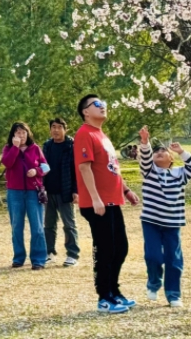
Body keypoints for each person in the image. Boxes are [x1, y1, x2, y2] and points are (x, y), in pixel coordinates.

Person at [74, 95, 140, 314]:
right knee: (105, 250)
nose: (103, 107)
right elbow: (85, 168)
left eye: (104, 103)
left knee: (120, 248)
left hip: (112, 200)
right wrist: (94, 198)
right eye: (97, 104)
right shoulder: (84, 134)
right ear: (85, 112)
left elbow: (112, 169)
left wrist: (126, 190)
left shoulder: (102, 135)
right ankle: (104, 298)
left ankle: (114, 291)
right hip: (97, 203)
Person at [138, 126, 191, 307]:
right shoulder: (149, 171)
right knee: (153, 256)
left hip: (173, 223)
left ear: (172, 159)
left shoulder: (179, 174)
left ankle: (173, 294)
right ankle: (154, 282)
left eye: (164, 151)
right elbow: (146, 158)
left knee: (174, 258)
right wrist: (145, 142)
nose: (159, 152)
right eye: (156, 152)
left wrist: (181, 151)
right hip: (151, 221)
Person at [1, 121, 48, 270]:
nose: (21, 135)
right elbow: (7, 163)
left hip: (33, 192)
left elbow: (45, 167)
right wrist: (15, 148)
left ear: (28, 134)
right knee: (16, 226)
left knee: (37, 227)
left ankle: (38, 259)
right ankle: (18, 258)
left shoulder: (35, 149)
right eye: (18, 132)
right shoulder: (8, 148)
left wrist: (36, 171)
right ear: (13, 135)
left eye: (23, 132)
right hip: (15, 192)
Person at [42, 117, 80, 267]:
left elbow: (77, 170)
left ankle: (72, 254)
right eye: (53, 127)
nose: (56, 130)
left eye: (59, 127)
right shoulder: (47, 145)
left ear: (65, 129)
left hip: (66, 191)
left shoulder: (72, 146)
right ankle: (49, 252)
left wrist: (76, 191)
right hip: (48, 191)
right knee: (49, 224)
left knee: (69, 225)